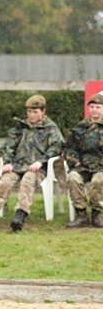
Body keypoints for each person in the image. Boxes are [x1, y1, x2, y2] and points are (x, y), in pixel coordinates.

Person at [0, 94, 64, 232]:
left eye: (35, 112)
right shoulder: (20, 128)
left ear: (43, 111)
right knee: (5, 182)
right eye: (29, 112)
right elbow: (8, 146)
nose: (32, 115)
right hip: (17, 166)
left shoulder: (50, 129)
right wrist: (7, 161)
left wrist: (41, 162)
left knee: (28, 180)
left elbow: (57, 147)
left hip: (37, 169)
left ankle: (20, 215)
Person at [63, 92, 103, 228]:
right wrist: (74, 162)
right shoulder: (80, 128)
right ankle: (81, 215)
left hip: (100, 167)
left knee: (98, 180)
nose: (95, 110)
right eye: (92, 107)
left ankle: (97, 214)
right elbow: (69, 148)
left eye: (98, 107)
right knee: (73, 178)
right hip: (82, 166)